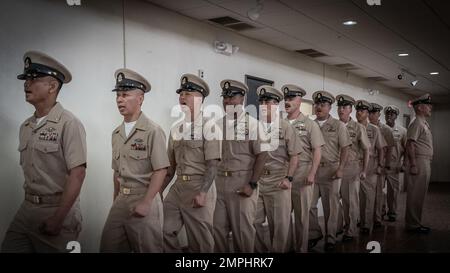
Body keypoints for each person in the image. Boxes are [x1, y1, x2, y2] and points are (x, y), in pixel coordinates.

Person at [2, 51, 87, 252]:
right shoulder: (26, 126)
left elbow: (78, 173)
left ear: (52, 86)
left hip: (57, 210)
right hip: (27, 208)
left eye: (34, 78)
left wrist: (58, 218)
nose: (27, 84)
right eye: (26, 78)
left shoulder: (69, 123)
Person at [100, 68, 169, 252]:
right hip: (122, 199)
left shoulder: (153, 131)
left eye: (125, 95)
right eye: (118, 95)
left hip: (144, 196)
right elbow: (117, 171)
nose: (119, 99)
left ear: (140, 98)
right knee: (108, 246)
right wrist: (115, 200)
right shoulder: (116, 133)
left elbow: (161, 170)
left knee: (146, 248)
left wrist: (147, 202)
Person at [162, 74, 221, 252]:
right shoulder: (176, 128)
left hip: (199, 186)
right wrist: (158, 191)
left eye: (187, 93)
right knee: (163, 230)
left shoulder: (209, 127)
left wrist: (203, 193)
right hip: (178, 186)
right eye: (181, 93)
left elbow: (213, 165)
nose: (182, 97)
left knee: (201, 242)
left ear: (199, 97)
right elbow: (170, 168)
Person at [213, 79, 268, 253]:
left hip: (242, 184)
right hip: (219, 185)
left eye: (232, 97)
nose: (227, 101)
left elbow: (262, 155)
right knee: (217, 230)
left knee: (242, 233)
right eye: (225, 98)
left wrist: (252, 184)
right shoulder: (217, 125)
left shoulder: (253, 125)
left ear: (242, 98)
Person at [254, 85, 301, 253]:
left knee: (280, 225)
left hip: (278, 181)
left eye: (269, 102)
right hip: (258, 182)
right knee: (254, 222)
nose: (264, 105)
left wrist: (288, 178)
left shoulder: (286, 127)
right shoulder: (254, 127)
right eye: (262, 102)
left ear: (276, 105)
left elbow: (295, 155)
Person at [308, 91, 351, 252]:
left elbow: (345, 148)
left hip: (330, 171)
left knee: (330, 207)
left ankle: (330, 238)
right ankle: (314, 234)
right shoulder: (310, 124)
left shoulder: (338, 125)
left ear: (329, 107)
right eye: (317, 104)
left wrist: (341, 168)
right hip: (313, 170)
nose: (319, 107)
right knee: (308, 205)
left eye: (323, 105)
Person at [283, 84, 324, 252]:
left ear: (299, 101)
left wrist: (312, 173)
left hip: (302, 176)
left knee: (301, 218)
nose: (287, 101)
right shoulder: (281, 123)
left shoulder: (309, 124)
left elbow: (317, 150)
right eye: (286, 99)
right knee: (283, 218)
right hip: (283, 176)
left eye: (291, 98)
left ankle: (301, 249)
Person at [335, 94, 369, 242]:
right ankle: (337, 227)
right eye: (339, 107)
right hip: (334, 168)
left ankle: (350, 231)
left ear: (350, 110)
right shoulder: (333, 125)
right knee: (334, 201)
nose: (341, 110)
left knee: (350, 201)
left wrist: (364, 170)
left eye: (344, 107)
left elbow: (367, 149)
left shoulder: (358, 127)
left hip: (351, 168)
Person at [355, 100, 385, 234]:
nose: (358, 113)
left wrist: (380, 165)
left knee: (368, 196)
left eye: (361, 111)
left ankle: (366, 224)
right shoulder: (352, 127)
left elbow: (381, 149)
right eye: (357, 111)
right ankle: (358, 220)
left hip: (371, 165)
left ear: (367, 113)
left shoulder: (374, 129)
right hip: (354, 164)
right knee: (355, 196)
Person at [405, 94, 433, 234]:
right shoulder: (417, 123)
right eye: (428, 105)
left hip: (424, 161)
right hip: (419, 161)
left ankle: (416, 222)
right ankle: (412, 225)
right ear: (420, 107)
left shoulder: (423, 123)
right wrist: (414, 164)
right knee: (415, 195)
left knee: (419, 195)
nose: (430, 107)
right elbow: (410, 144)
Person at [384, 105, 407, 222]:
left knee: (393, 191)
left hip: (394, 165)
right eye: (387, 114)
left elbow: (407, 149)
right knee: (378, 190)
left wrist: (404, 164)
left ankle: (392, 212)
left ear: (396, 116)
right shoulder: (379, 128)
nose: (389, 116)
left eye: (392, 114)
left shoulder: (402, 131)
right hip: (380, 165)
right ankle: (381, 210)